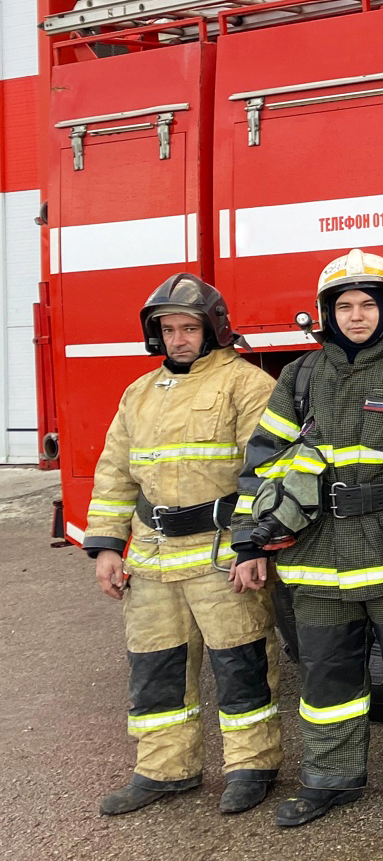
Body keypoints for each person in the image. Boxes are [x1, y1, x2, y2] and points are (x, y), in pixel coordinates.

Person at [241, 250, 383, 827]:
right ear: (326, 312)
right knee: (326, 680)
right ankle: (329, 778)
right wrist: (250, 540)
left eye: (369, 304)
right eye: (345, 306)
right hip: (315, 559)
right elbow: (264, 459)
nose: (357, 315)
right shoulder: (301, 375)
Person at [83, 273, 282, 816]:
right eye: (167, 329)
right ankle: (164, 770)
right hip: (151, 558)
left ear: (212, 328)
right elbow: (115, 474)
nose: (177, 339)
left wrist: (253, 547)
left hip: (219, 554)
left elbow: (264, 473)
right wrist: (106, 547)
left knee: (241, 665)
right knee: (156, 669)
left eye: (188, 327)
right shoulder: (138, 393)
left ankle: (251, 766)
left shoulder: (246, 384)